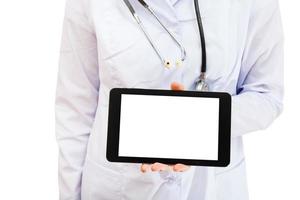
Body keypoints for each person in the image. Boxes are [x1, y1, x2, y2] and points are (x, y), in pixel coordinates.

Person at [55, 0, 284, 199]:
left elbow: (266, 94)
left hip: (212, 187)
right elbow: (76, 109)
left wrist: (199, 124)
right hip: (117, 187)